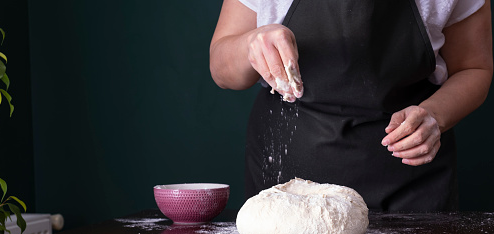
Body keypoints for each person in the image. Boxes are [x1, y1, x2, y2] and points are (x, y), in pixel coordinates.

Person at [209, 0, 492, 211]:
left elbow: (474, 67)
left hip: (410, 179)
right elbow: (221, 70)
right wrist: (251, 44)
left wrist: (435, 115)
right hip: (289, 184)